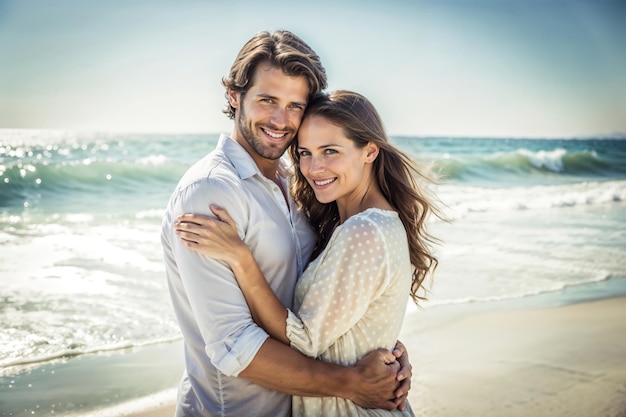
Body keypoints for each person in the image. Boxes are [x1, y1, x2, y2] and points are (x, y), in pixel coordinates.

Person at [161, 31, 412, 417]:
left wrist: (382, 353)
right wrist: (354, 383)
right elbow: (235, 346)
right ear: (234, 96)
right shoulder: (211, 192)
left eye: (295, 105)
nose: (281, 121)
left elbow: (333, 304)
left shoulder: (297, 184)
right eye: (267, 101)